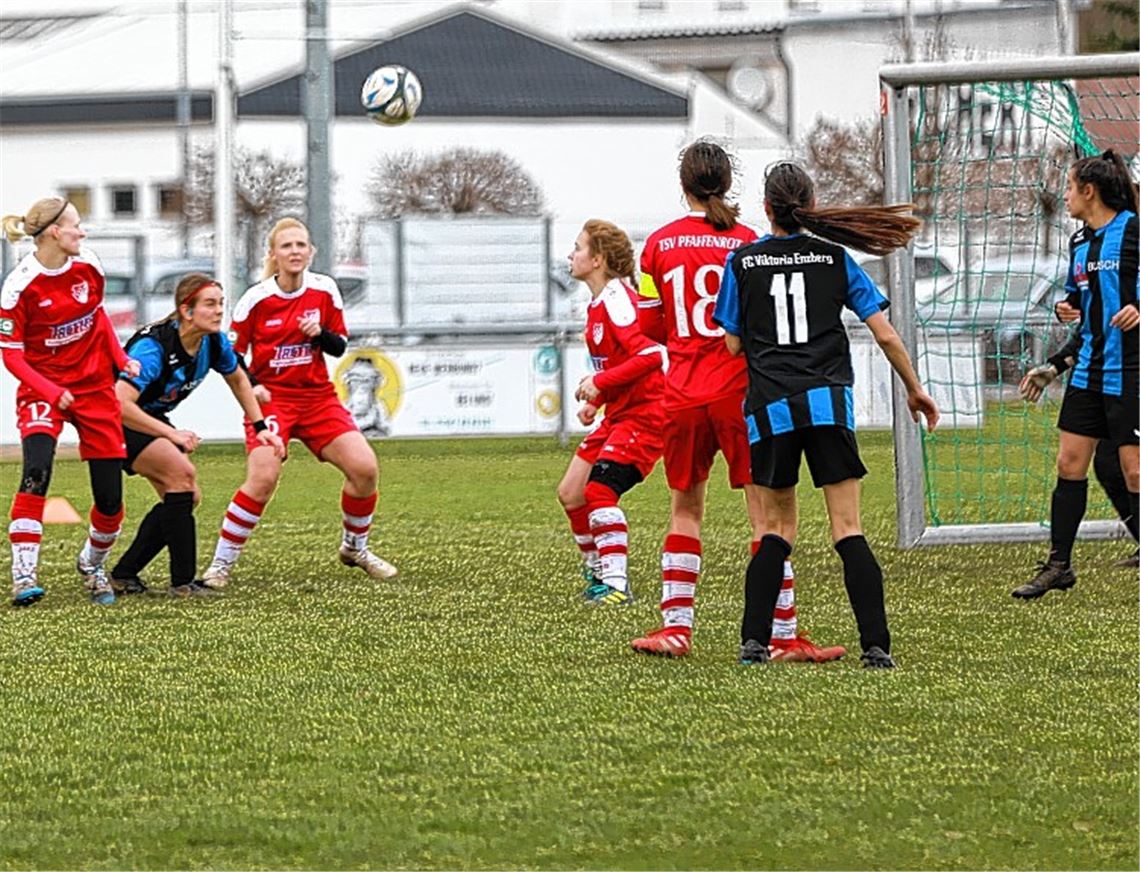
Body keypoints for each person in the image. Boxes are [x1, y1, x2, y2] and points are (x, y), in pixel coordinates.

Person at [712, 162, 939, 668]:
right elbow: (884, 332)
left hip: (771, 407)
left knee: (776, 529)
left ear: (766, 209)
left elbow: (730, 343)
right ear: (808, 207)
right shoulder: (835, 259)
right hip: (827, 404)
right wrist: (915, 389)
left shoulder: (743, 263)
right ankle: (876, 649)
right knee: (848, 527)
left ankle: (754, 642)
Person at [628, 140, 845, 662]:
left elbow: (648, 321)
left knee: (685, 509)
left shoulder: (655, 246)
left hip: (681, 392)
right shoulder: (749, 243)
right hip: (740, 393)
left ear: (684, 186)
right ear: (729, 183)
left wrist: (685, 343)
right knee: (765, 518)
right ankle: (782, 635)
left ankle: (676, 629)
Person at [200, 217, 397, 589]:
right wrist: (254, 387)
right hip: (273, 402)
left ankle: (355, 548)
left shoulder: (324, 290)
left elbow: (339, 346)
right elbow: (231, 356)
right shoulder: (255, 299)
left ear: (311, 252)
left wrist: (319, 333)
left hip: (318, 399)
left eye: (301, 245)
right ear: (273, 255)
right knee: (262, 478)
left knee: (365, 469)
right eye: (286, 246)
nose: (294, 252)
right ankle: (220, 565)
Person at [1, 196, 141, 606]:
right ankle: (23, 575)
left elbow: (97, 317)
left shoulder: (88, 265)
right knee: (37, 471)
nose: (83, 232)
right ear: (54, 234)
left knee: (111, 499)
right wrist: (50, 392)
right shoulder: (19, 286)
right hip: (43, 389)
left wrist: (121, 360)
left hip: (95, 388)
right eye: (76, 225)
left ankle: (92, 565)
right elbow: (12, 355)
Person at [110, 273, 285, 597]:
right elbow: (120, 403)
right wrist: (172, 434)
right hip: (111, 419)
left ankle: (124, 574)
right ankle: (183, 584)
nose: (219, 311)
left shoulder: (213, 341)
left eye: (221, 303)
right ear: (186, 311)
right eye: (210, 304)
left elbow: (238, 378)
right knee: (182, 476)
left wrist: (261, 428)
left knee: (186, 495)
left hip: (144, 416)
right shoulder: (153, 348)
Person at [1012, 150, 1138, 599]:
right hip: (1088, 373)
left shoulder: (1133, 229)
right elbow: (1081, 311)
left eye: (1068, 187)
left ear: (1089, 191)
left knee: (1133, 471)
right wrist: (1057, 361)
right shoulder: (1079, 244)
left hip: (1132, 371)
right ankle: (1059, 566)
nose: (1064, 196)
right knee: (1069, 465)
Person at [556, 219, 667, 605]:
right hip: (619, 416)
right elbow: (621, 365)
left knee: (600, 491)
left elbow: (654, 355)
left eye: (578, 247)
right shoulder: (600, 302)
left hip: (647, 417)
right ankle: (597, 573)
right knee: (571, 492)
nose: (571, 255)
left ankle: (616, 586)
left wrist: (601, 385)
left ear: (598, 259)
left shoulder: (620, 300)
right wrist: (596, 401)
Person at [1020, 327, 1138, 568]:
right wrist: (1056, 366)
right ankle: (1059, 564)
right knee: (1110, 465)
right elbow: (1095, 331)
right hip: (1118, 382)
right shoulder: (1100, 296)